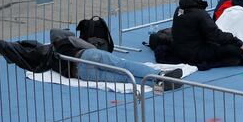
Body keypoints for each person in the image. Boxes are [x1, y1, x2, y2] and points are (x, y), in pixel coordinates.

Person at [50, 29, 183, 86]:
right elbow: (90, 47)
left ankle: (156, 84)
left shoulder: (51, 55)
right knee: (124, 65)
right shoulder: (68, 40)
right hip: (86, 56)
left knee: (124, 78)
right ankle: (160, 74)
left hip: (80, 73)